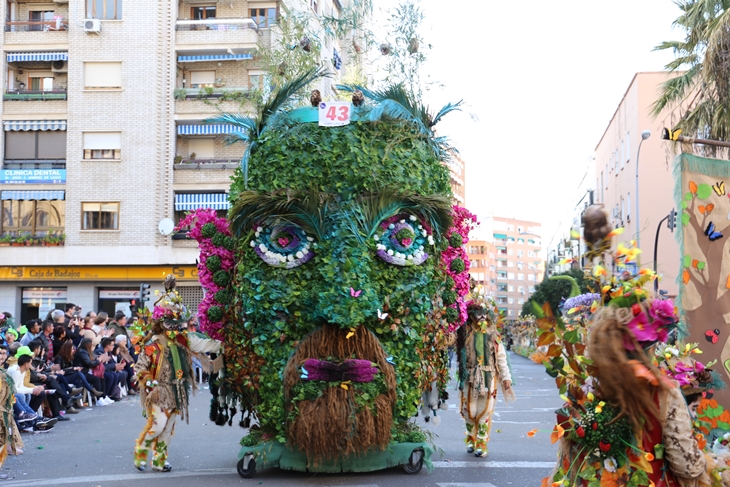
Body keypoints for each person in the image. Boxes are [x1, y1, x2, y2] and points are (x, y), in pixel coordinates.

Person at [548, 300, 706, 486]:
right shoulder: (664, 392)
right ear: (647, 349)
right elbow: (687, 465)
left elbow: (571, 455)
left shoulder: (590, 386)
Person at [133, 275, 221, 473]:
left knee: (168, 427)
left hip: (177, 389)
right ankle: (141, 450)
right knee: (159, 424)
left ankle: (159, 460)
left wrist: (225, 345)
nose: (174, 328)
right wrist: (148, 383)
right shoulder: (152, 344)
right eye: (170, 324)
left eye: (177, 324)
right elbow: (140, 368)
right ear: (161, 324)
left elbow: (205, 343)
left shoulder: (184, 340)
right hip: (158, 390)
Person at [457, 290, 514, 458]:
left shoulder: (494, 336)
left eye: (484, 313)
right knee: (469, 411)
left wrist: (506, 377)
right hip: (470, 378)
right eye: (478, 313)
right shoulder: (464, 334)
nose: (481, 317)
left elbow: (501, 358)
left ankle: (481, 441)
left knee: (485, 410)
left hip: (489, 379)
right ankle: (470, 438)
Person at [73, 338, 110, 405]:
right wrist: (99, 360)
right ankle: (98, 399)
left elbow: (93, 358)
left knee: (102, 378)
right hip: (82, 373)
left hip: (86, 372)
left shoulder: (87, 351)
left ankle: (103, 396)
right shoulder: (82, 352)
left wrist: (100, 358)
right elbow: (89, 363)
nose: (93, 346)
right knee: (96, 379)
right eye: (92, 344)